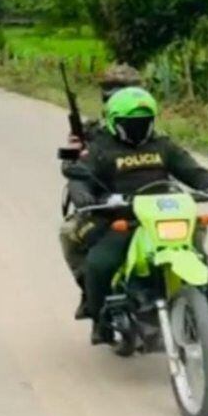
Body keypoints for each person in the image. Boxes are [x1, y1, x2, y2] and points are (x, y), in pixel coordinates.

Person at [70, 86, 208, 343]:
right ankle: (100, 320)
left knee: (197, 253)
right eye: (131, 123)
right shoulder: (100, 147)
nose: (138, 127)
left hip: (164, 217)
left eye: (144, 122)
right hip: (123, 219)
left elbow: (191, 171)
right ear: (114, 121)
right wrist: (82, 193)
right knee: (99, 263)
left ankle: (205, 302)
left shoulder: (162, 145)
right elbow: (81, 175)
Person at [58, 64, 143, 293]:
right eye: (112, 89)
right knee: (70, 233)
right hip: (105, 203)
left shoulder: (150, 125)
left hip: (151, 200)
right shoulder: (91, 130)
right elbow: (70, 165)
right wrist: (74, 151)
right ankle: (93, 293)